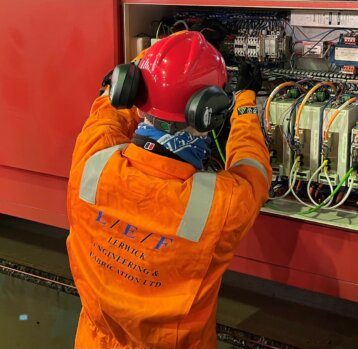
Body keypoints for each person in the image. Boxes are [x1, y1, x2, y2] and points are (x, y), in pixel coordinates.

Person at [66, 30, 271, 349]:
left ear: (130, 88)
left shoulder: (91, 159)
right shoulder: (222, 205)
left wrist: (147, 65)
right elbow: (252, 168)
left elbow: (107, 110)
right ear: (210, 110)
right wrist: (246, 101)